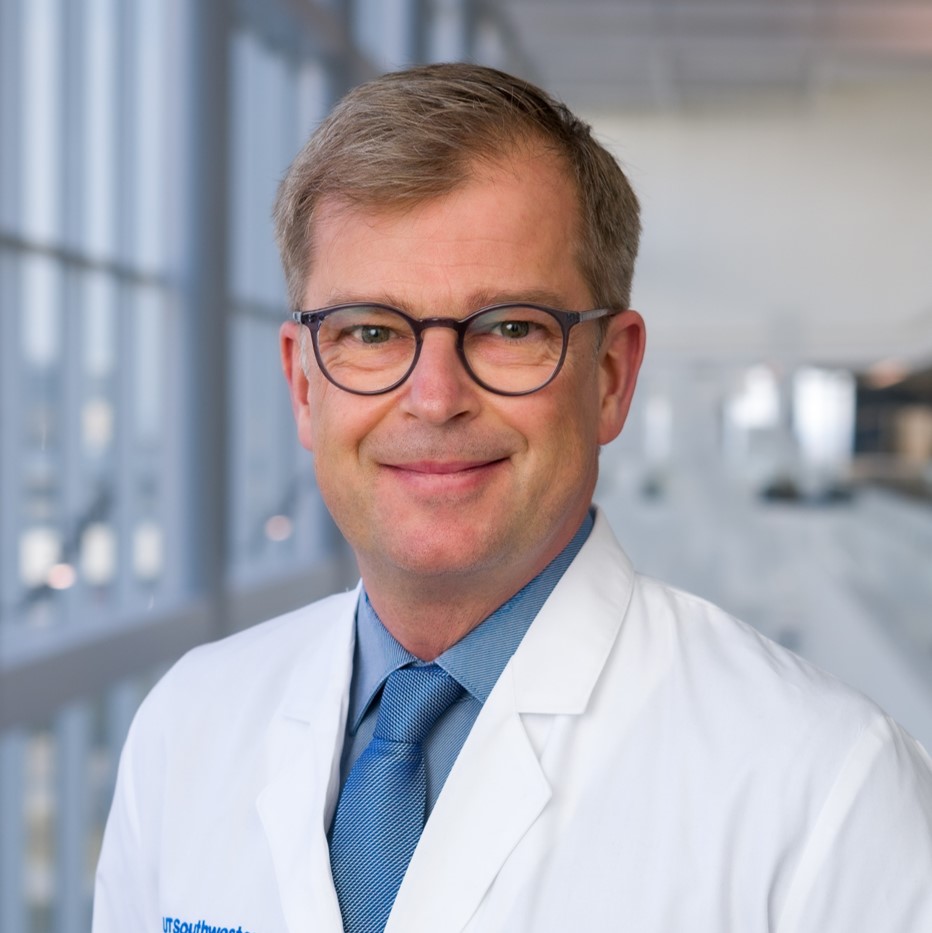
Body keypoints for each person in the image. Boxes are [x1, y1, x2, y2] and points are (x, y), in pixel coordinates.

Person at [93, 63, 932, 933]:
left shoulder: (830, 791)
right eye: (372, 333)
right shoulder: (188, 728)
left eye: (509, 329)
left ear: (611, 376)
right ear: (305, 387)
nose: (434, 396)